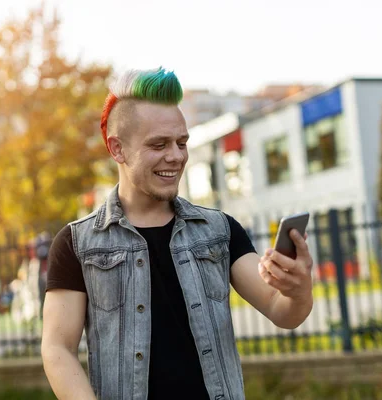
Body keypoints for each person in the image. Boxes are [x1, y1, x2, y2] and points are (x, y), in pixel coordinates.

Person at [41, 67, 314, 400]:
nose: (176, 156)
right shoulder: (76, 244)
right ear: (117, 149)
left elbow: (280, 309)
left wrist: (298, 290)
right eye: (159, 144)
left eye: (181, 142)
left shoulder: (220, 231)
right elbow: (58, 348)